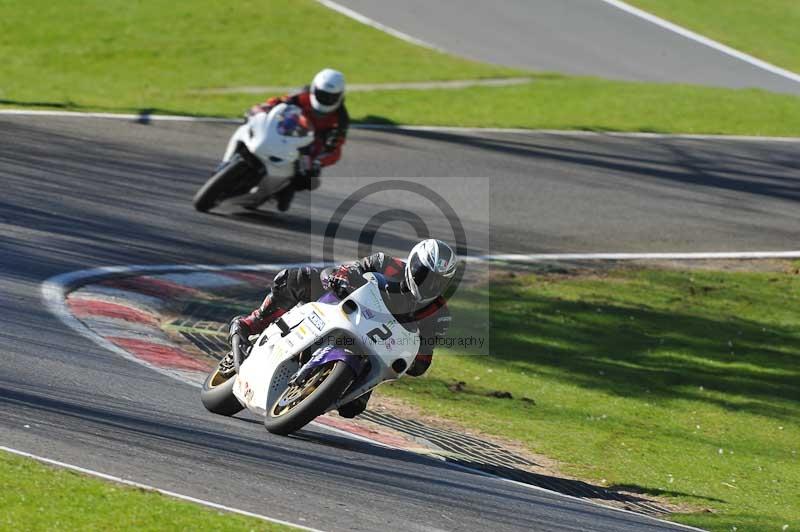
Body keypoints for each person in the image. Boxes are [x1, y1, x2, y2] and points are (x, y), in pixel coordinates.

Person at [228, 239, 458, 418]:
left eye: (438, 281)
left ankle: (316, 390)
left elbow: (422, 361)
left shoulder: (439, 314)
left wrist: (417, 357)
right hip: (343, 310)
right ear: (414, 263)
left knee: (352, 408)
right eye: (424, 274)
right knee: (297, 277)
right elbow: (348, 270)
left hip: (373, 350)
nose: (429, 284)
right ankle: (253, 321)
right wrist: (340, 277)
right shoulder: (386, 264)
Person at [249, 68, 349, 211]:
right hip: (285, 129)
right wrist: (262, 108)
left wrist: (318, 162)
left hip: (307, 147)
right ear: (314, 89)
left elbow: (335, 150)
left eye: (331, 97)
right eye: (322, 95)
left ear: (340, 96)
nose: (326, 100)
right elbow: (278, 102)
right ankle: (228, 163)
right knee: (251, 124)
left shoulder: (340, 119)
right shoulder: (301, 94)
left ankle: (283, 189)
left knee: (308, 180)